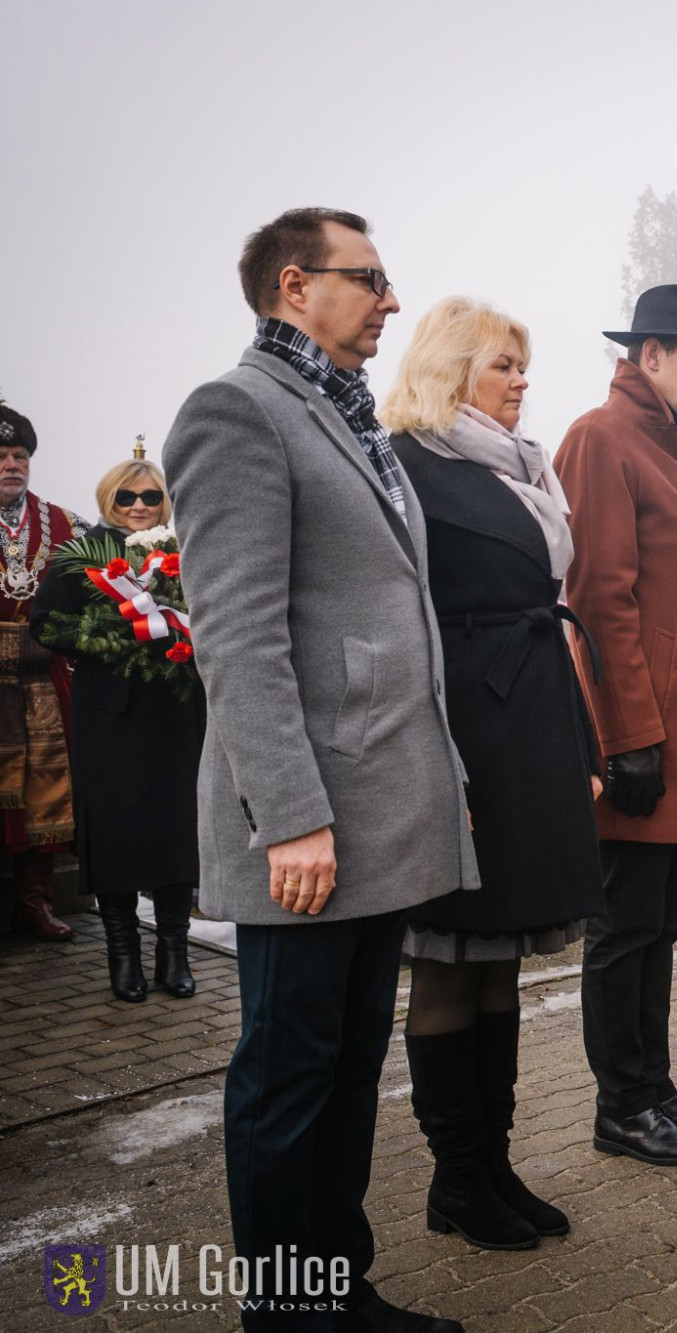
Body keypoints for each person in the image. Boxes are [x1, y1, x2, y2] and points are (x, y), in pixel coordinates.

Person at [163, 207, 474, 1333]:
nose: (392, 300)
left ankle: (341, 1289)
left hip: (376, 811)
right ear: (295, 285)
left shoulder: (347, 413)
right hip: (309, 825)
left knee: (346, 1066)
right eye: (370, 278)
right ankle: (286, 1313)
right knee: (288, 1074)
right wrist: (290, 816)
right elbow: (238, 636)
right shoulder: (236, 411)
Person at [379, 297, 607, 1251]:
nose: (521, 381)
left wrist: (580, 745)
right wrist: (434, 761)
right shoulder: (407, 464)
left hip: (530, 723)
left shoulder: (522, 468)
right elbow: (401, 622)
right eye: (502, 365)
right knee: (448, 959)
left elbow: (544, 610)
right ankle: (456, 1178)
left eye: (522, 364)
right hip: (464, 729)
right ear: (450, 370)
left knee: (500, 961)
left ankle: (495, 1165)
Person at [557, 284, 677, 1168]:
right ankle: (622, 1106)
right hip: (646, 732)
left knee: (665, 918)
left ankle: (655, 1086)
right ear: (649, 356)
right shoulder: (603, 438)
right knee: (628, 925)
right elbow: (601, 598)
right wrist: (625, 735)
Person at [29, 457, 203, 1002]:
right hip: (110, 714)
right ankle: (123, 953)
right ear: (109, 499)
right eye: (127, 497)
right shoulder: (82, 554)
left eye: (150, 496)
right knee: (116, 829)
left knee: (178, 825)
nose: (138, 506)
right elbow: (46, 623)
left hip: (176, 709)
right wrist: (110, 636)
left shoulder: (183, 547)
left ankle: (174, 951)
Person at [0, 398, 83, 942]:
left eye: (20, 455)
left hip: (43, 682)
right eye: (1, 455)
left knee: (45, 795)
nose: (12, 465)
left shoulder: (64, 523)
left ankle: (35, 903)